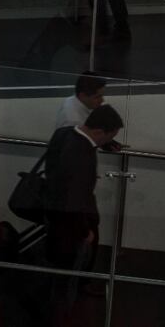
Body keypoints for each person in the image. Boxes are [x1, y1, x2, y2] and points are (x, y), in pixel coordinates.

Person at [45, 104, 125, 314]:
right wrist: (84, 230)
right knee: (70, 266)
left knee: (59, 263)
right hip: (72, 220)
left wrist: (106, 144)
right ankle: (62, 311)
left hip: (54, 208)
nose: (108, 141)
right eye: (109, 137)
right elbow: (74, 198)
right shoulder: (81, 155)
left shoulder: (65, 133)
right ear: (99, 131)